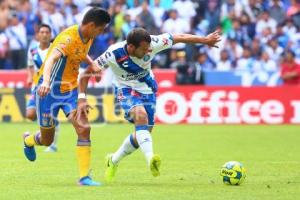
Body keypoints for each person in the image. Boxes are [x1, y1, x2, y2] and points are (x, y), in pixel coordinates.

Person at [78, 28, 221, 181]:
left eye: (149, 48)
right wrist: (82, 97)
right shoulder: (113, 53)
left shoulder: (154, 42)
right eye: (144, 49)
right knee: (141, 116)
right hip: (125, 89)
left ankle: (113, 160)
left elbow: (179, 36)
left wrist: (205, 40)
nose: (148, 52)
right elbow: (85, 74)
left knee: (143, 132)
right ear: (131, 47)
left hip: (148, 89)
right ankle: (151, 159)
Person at [22, 7, 111, 186]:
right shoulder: (67, 38)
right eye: (101, 29)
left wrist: (92, 65)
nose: (101, 33)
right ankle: (29, 140)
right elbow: (51, 60)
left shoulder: (89, 36)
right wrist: (46, 82)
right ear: (92, 25)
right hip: (48, 92)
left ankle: (84, 177)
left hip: (70, 91)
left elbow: (81, 53)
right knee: (47, 140)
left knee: (84, 128)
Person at [26, 24, 59, 153]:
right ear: (38, 35)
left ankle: (52, 144)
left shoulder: (55, 50)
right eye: (42, 32)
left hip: (52, 88)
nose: (44, 34)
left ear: (51, 35)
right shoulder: (32, 50)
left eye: (47, 32)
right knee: (30, 114)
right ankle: (40, 133)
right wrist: (29, 77)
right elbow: (30, 65)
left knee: (51, 116)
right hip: (37, 86)